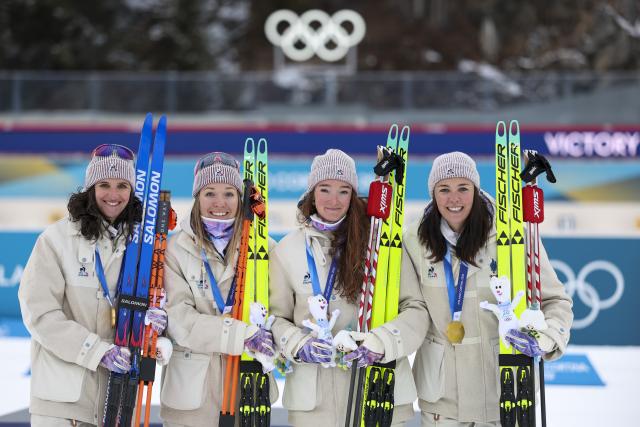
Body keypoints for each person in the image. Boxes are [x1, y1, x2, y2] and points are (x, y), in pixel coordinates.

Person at [403, 151, 573, 426]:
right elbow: (411, 309)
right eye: (444, 189)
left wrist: (547, 337)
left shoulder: (512, 234)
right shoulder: (414, 239)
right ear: (433, 193)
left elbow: (555, 300)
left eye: (463, 188)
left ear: (476, 189)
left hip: (506, 392)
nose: (454, 198)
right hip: (442, 401)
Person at [269, 149, 429, 427]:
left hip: (378, 394)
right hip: (314, 404)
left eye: (344, 191)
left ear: (353, 195)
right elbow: (276, 319)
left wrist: (381, 343)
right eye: (325, 189)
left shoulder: (381, 244)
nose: (334, 200)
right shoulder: (287, 251)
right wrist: (299, 344)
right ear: (311, 192)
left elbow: (415, 310)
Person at [18, 144, 168, 426]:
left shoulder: (142, 247)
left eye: (123, 185)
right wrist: (97, 351)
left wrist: (159, 325)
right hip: (62, 403)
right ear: (90, 188)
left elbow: (158, 303)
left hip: (121, 400)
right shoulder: (56, 240)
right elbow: (39, 314)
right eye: (104, 185)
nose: (113, 195)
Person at [160, 152, 277, 427]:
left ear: (241, 198)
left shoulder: (266, 248)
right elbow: (179, 320)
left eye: (229, 193)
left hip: (248, 394)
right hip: (190, 398)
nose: (219, 203)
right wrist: (243, 334)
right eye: (209, 193)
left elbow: (280, 313)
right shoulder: (174, 249)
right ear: (197, 197)